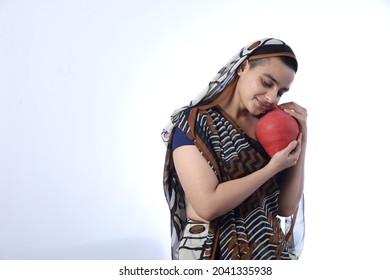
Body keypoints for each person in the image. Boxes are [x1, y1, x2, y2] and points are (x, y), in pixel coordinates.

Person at [162, 38, 307, 260]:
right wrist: (271, 168)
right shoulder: (193, 124)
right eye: (267, 83)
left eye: (281, 92)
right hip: (213, 253)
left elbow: (286, 208)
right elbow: (207, 205)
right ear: (242, 67)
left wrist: (301, 136)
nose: (272, 98)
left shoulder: (271, 126)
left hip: (269, 252)